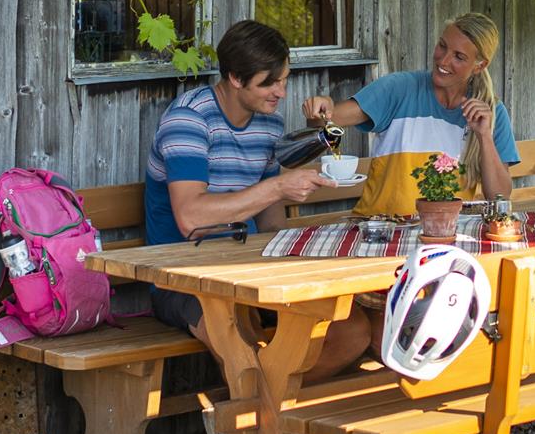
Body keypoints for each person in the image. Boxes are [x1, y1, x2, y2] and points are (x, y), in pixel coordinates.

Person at [144, 20, 371, 373]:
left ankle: (269, 409)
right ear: (235, 78)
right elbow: (190, 217)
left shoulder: (269, 124)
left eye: (284, 80)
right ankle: (257, 415)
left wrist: (305, 258)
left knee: (352, 330)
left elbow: (269, 221)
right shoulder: (188, 119)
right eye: (270, 82)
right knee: (241, 345)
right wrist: (279, 186)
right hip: (183, 276)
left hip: (249, 269)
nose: (281, 92)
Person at [303, 12, 520, 218]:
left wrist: (484, 136)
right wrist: (324, 105)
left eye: (459, 57)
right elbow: (322, 118)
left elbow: (499, 197)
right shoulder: (400, 88)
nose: (443, 61)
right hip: (382, 230)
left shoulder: (490, 113)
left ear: (479, 66)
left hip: (445, 233)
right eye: (442, 46)